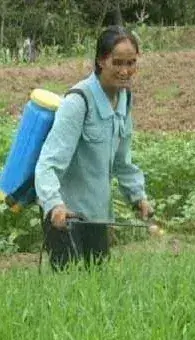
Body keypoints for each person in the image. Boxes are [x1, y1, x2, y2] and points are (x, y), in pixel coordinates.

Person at [34, 25, 153, 271]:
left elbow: (123, 160)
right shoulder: (78, 102)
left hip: (97, 216)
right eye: (118, 62)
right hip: (65, 217)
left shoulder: (124, 99)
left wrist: (137, 196)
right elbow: (48, 163)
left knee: (96, 289)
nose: (125, 71)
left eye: (131, 63)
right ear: (101, 61)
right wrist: (55, 204)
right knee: (68, 293)